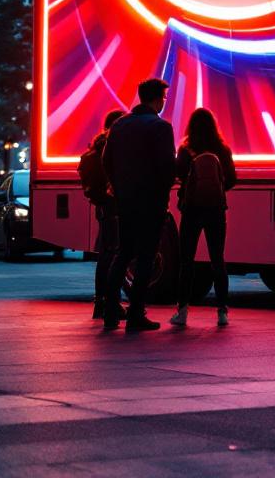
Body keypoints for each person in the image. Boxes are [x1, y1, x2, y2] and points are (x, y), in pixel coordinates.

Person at [101, 79, 176, 332]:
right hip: (151, 202)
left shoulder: (120, 125)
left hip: (125, 201)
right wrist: (162, 195)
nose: (164, 103)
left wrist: (119, 187)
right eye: (164, 98)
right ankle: (136, 313)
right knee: (146, 257)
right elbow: (167, 168)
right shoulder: (161, 127)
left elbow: (106, 161)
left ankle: (110, 309)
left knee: (123, 253)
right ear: (157, 99)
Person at [171, 108, 237, 328]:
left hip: (191, 209)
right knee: (217, 259)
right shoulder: (222, 149)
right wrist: (216, 188)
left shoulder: (186, 149)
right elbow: (232, 179)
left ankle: (182, 311)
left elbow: (178, 173)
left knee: (186, 261)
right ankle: (222, 311)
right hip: (216, 210)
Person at [82, 110, 125, 319]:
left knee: (106, 255)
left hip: (103, 207)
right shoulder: (113, 146)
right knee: (114, 255)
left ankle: (101, 302)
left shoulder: (97, 147)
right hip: (114, 206)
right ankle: (111, 303)